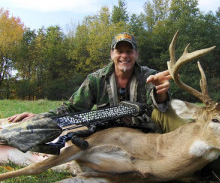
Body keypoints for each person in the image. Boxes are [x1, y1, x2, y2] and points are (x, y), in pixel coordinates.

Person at [9, 32, 186, 133]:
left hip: (147, 134)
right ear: (112, 54)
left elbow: (162, 109)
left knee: (170, 114)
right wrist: (40, 117)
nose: (124, 56)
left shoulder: (150, 76)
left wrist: (160, 94)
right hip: (108, 136)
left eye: (129, 51)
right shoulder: (96, 79)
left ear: (136, 55)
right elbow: (71, 108)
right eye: (119, 51)